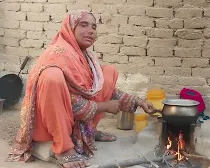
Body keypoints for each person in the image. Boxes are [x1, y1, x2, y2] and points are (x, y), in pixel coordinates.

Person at [6, 10, 157, 168]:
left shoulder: (85, 57)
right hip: (49, 123)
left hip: (75, 118)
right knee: (52, 76)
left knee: (108, 71)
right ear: (70, 28)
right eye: (83, 25)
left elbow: (96, 89)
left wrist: (139, 102)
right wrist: (104, 106)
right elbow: (68, 101)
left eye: (93, 26)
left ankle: (89, 131)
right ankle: (63, 148)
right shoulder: (56, 54)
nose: (91, 30)